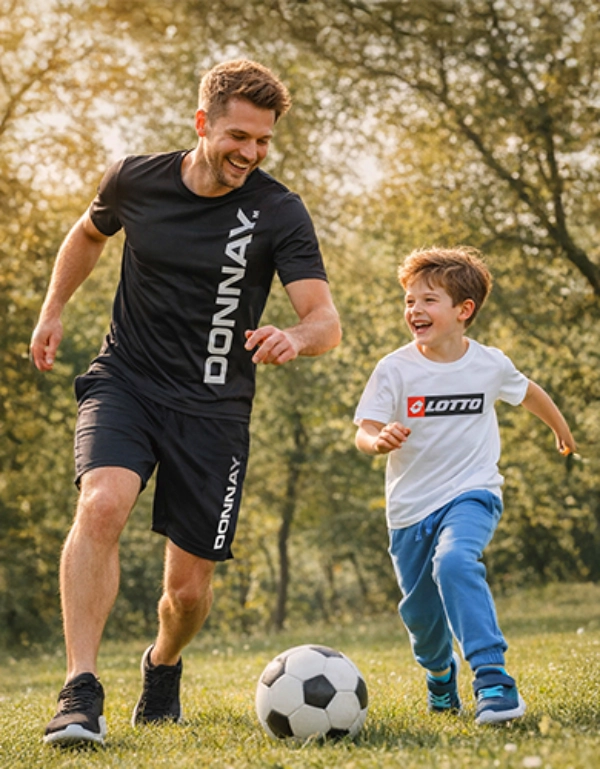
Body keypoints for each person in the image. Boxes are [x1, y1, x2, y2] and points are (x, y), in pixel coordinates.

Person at [30, 59, 341, 747]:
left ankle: (162, 663)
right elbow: (88, 233)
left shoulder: (278, 211)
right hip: (127, 380)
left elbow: (326, 321)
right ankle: (80, 689)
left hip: (214, 411)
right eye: (238, 136)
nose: (250, 153)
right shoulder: (133, 179)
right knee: (101, 502)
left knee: (188, 593)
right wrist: (53, 310)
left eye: (263, 141)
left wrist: (294, 337)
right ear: (202, 123)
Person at [354, 246, 576, 725]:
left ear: (463, 310)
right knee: (421, 618)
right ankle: (440, 674)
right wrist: (377, 440)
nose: (414, 310)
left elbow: (528, 392)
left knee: (455, 562)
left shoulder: (489, 364)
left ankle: (493, 679)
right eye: (409, 301)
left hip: (472, 493)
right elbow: (364, 430)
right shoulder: (395, 369)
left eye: (428, 300)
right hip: (410, 510)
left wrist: (560, 429)